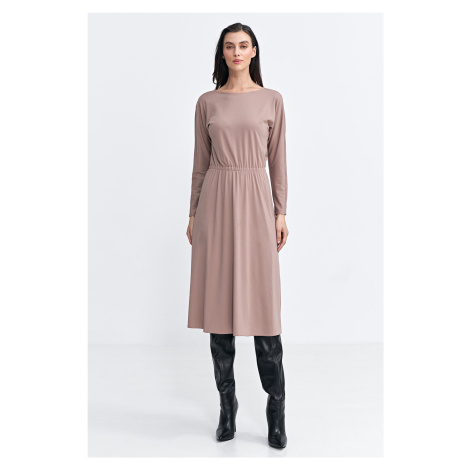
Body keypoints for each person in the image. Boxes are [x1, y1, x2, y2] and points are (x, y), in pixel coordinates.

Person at [186, 23, 289, 449]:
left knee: (264, 310)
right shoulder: (207, 102)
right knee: (219, 310)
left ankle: (276, 410)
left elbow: (278, 160)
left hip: (256, 202)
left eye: (243, 45)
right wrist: (193, 212)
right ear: (222, 53)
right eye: (229, 46)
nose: (237, 52)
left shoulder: (271, 99)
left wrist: (281, 211)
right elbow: (200, 161)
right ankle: (227, 406)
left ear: (254, 51)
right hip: (215, 203)